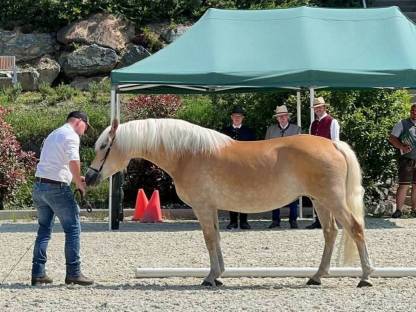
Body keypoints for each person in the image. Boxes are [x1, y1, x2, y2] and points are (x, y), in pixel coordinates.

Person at [31, 111, 94, 286]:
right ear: (80, 121)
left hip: (39, 186)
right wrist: (79, 183)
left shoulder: (54, 134)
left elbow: (57, 162)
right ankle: (73, 273)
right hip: (56, 187)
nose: (85, 131)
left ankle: (38, 273)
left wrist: (74, 177)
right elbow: (74, 160)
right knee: (73, 228)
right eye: (86, 127)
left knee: (44, 230)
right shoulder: (72, 135)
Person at [306, 96, 340, 229]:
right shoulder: (313, 124)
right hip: (315, 161)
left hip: (327, 160)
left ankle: (331, 219)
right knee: (315, 191)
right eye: (316, 108)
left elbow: (335, 141)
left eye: (320, 107)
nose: (318, 110)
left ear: (324, 108)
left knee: (328, 191)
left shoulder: (332, 121)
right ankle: (318, 219)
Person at [265, 104, 301, 229]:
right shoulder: (271, 130)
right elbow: (265, 149)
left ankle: (293, 219)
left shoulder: (296, 130)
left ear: (288, 117)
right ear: (277, 118)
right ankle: (275, 220)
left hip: (291, 167)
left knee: (294, 193)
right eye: (280, 116)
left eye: (284, 116)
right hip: (274, 167)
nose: (282, 118)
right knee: (274, 192)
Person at [222, 105, 256, 229]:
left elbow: (254, 150)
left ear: (242, 118)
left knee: (244, 192)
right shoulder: (224, 131)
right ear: (232, 117)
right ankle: (233, 221)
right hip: (229, 166)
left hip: (245, 166)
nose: (237, 118)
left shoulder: (249, 132)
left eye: (239, 117)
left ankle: (244, 220)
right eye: (235, 116)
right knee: (231, 193)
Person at [389, 103, 416, 218]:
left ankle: (415, 210)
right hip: (406, 158)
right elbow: (392, 138)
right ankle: (398, 210)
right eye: (413, 110)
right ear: (410, 111)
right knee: (403, 185)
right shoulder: (402, 123)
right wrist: (401, 146)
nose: (414, 113)